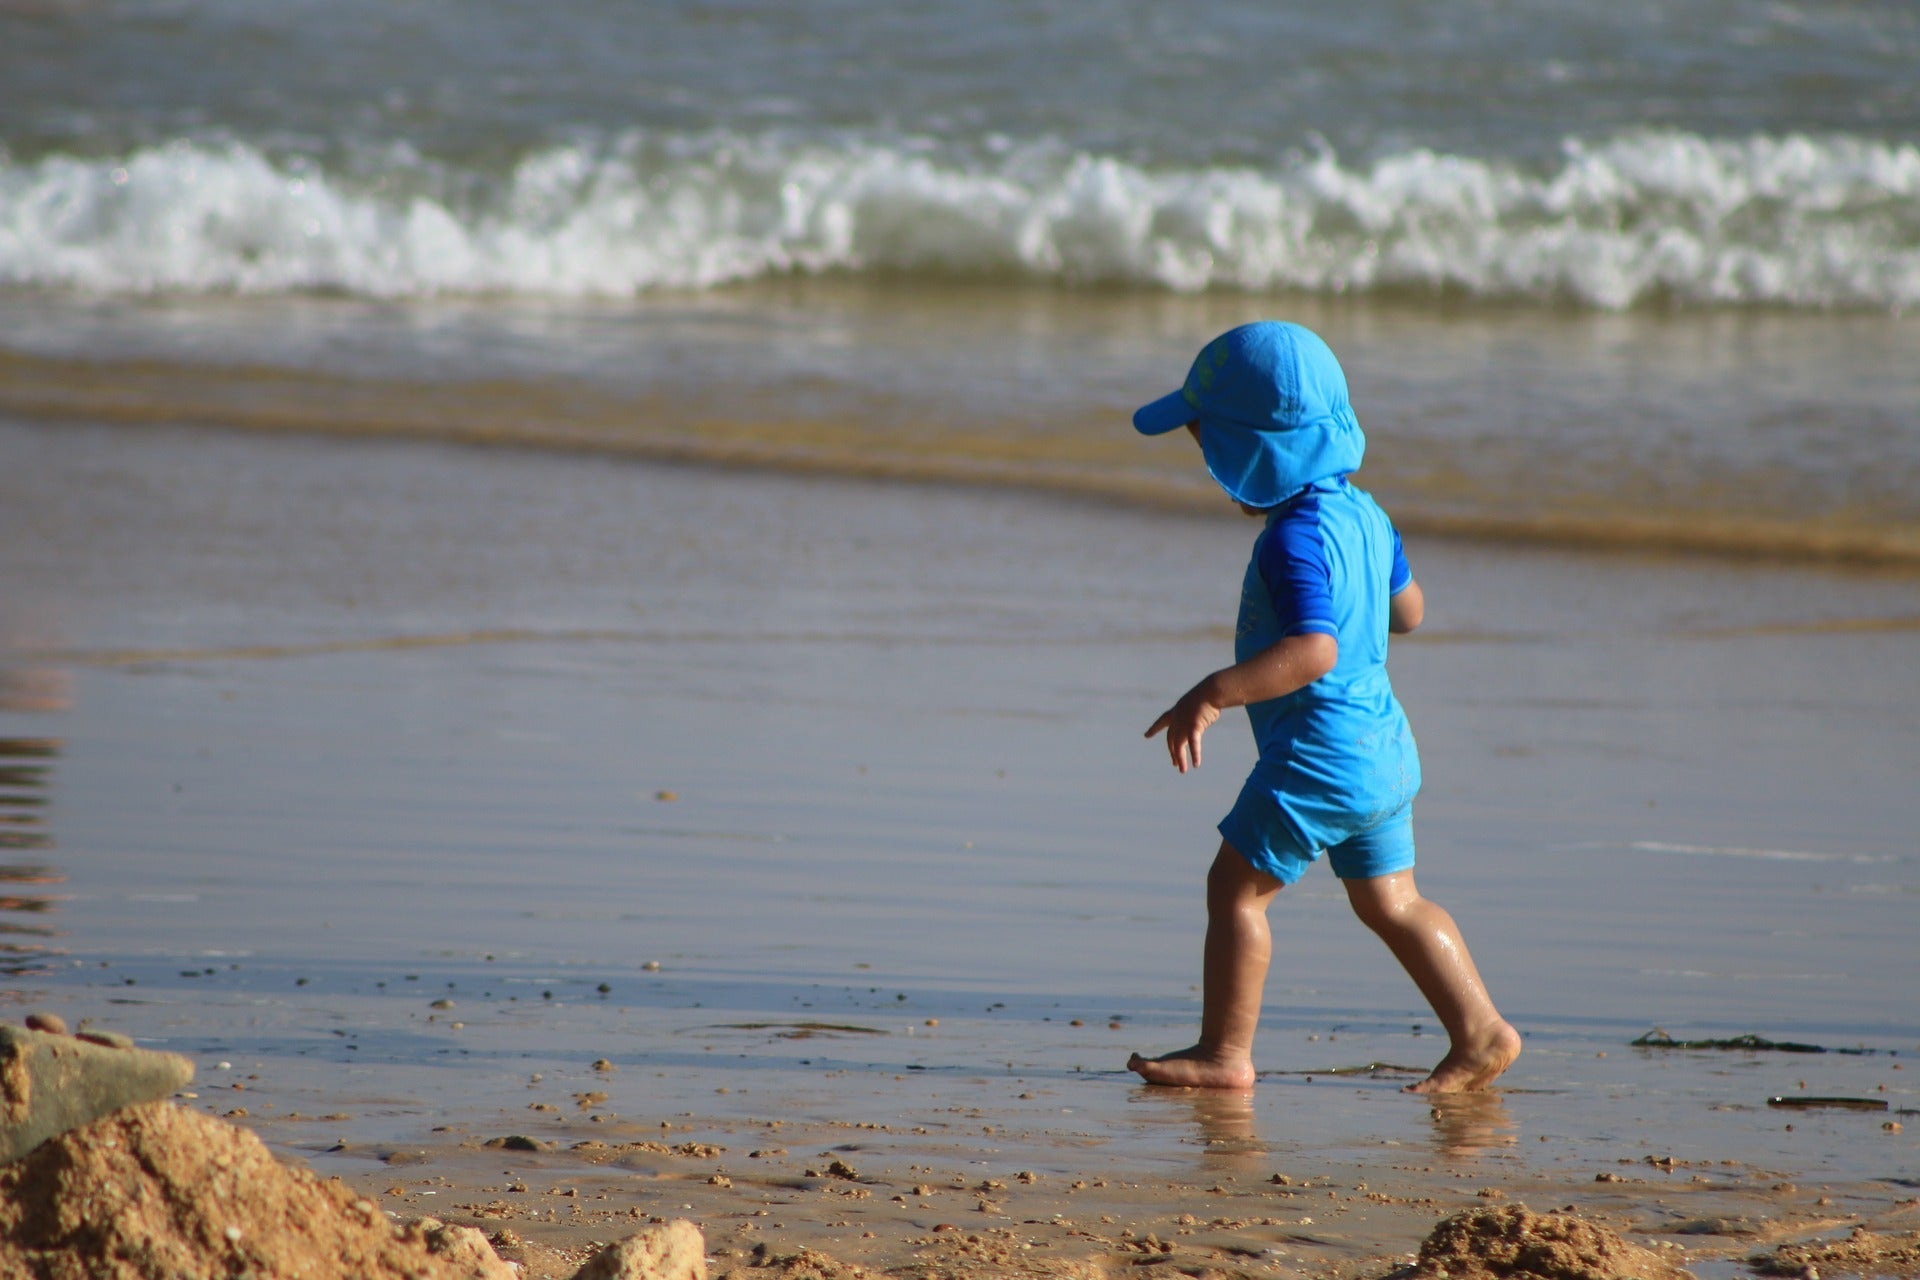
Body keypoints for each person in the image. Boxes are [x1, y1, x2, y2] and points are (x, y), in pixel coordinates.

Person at [1124, 321, 1520, 1094]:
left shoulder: (1290, 541)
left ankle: (1225, 1054)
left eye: (1207, 442)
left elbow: (1315, 652)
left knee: (1234, 889)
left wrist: (1214, 692)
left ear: (1246, 451)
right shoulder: (1368, 517)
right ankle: (1479, 1031)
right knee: (1394, 902)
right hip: (1385, 751)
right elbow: (1410, 612)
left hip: (1320, 755)